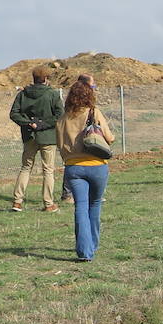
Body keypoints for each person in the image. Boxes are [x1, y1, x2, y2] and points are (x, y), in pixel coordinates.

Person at [57, 78, 116, 261]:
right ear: (89, 95)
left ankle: (84, 251)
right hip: (97, 166)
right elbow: (109, 137)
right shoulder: (94, 112)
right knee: (95, 204)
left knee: (80, 206)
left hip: (73, 168)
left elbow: (60, 144)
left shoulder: (63, 118)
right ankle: (93, 244)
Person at [9, 66, 64, 213]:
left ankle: (17, 202)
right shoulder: (52, 94)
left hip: (29, 136)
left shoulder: (23, 94)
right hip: (48, 137)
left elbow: (14, 114)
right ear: (45, 79)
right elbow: (60, 115)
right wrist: (43, 124)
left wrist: (28, 123)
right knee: (48, 170)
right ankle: (48, 203)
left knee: (26, 168)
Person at [60, 73, 96, 205]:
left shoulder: (73, 103)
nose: (94, 87)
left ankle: (77, 194)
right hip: (77, 142)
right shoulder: (78, 106)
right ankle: (68, 194)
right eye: (93, 84)